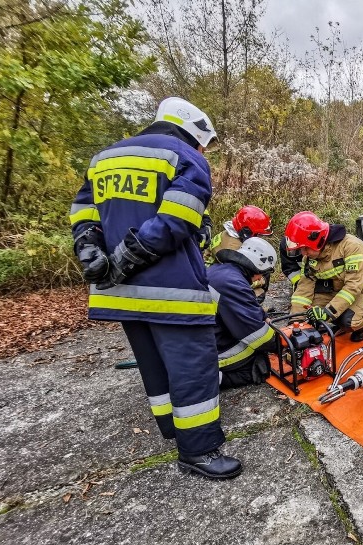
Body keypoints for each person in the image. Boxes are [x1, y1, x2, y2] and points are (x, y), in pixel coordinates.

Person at [69, 96, 241, 480]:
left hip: (119, 293)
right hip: (171, 291)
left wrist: (91, 251)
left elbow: (84, 214)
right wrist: (128, 256)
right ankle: (198, 450)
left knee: (153, 363)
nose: (203, 150)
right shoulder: (184, 155)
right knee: (193, 367)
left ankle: (171, 428)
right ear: (196, 131)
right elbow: (176, 218)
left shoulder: (104, 158)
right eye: (204, 143)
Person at [286, 211, 363, 341]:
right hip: (337, 289)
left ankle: (362, 327)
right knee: (309, 315)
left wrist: (328, 313)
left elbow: (353, 286)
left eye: (305, 248)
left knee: (347, 320)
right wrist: (296, 320)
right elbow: (304, 290)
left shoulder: (351, 246)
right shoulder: (309, 258)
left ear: (317, 241)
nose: (303, 253)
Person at [207, 237, 279, 389]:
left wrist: (263, 317)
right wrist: (281, 344)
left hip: (204, 336)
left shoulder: (222, 272)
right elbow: (259, 338)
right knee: (260, 366)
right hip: (211, 351)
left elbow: (246, 307)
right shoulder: (232, 284)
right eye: (262, 273)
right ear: (257, 268)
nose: (260, 278)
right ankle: (213, 379)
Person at [206, 205, 275, 301]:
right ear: (247, 231)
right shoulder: (232, 247)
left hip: (219, 274)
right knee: (258, 291)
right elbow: (235, 277)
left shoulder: (236, 235)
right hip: (210, 282)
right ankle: (246, 311)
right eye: (258, 235)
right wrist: (261, 281)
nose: (260, 238)